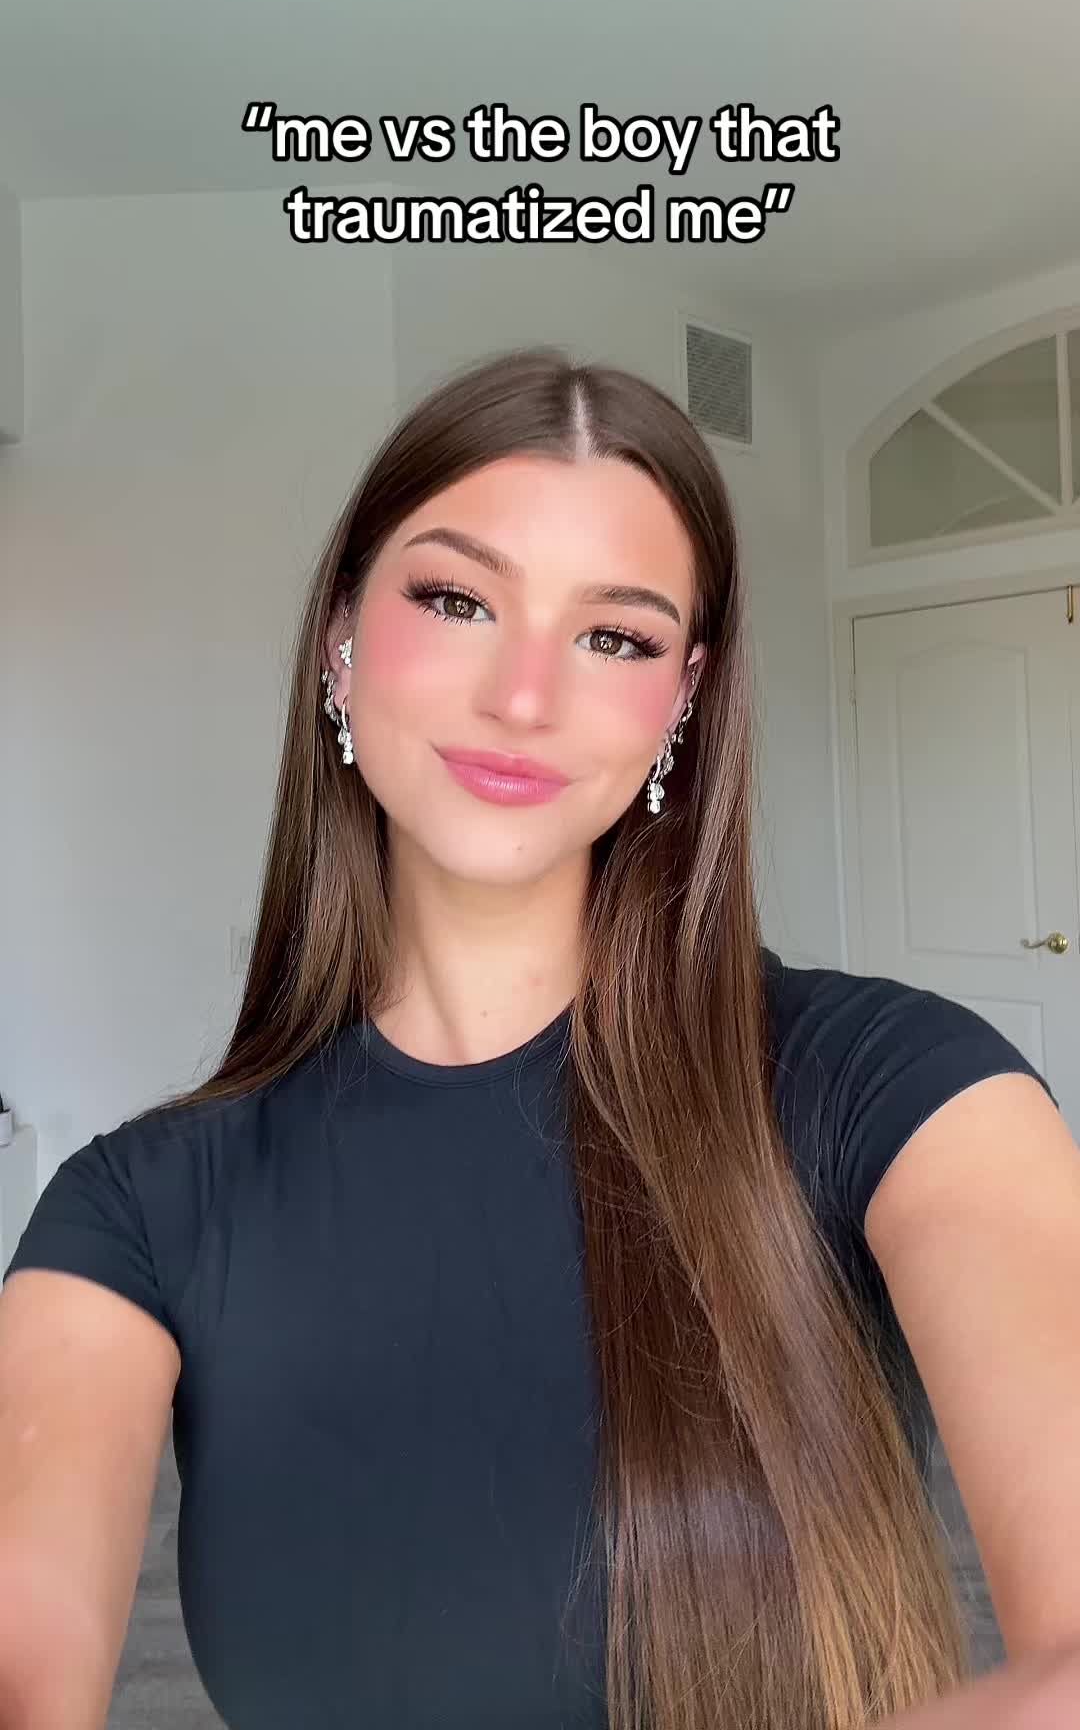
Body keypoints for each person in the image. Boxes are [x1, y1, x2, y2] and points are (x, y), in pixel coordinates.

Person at [0, 348, 1070, 1730]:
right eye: (456, 601)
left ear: (683, 697)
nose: (523, 696)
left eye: (615, 637)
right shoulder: (133, 1209)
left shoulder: (901, 1090)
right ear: (339, 640)